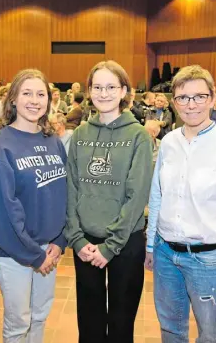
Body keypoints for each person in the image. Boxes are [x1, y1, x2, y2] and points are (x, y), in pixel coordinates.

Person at [145, 65, 216, 343]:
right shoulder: (168, 142)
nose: (191, 105)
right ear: (174, 102)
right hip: (166, 254)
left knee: (210, 333)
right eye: (182, 98)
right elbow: (157, 195)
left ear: (213, 97)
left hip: (208, 260)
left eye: (199, 96)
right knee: (170, 328)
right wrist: (151, 244)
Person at [65, 60, 153, 343]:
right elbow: (71, 188)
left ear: (124, 90)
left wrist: (111, 245)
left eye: (111, 87)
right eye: (98, 87)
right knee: (88, 324)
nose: (104, 93)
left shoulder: (138, 135)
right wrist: (77, 239)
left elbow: (137, 194)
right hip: (86, 244)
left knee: (121, 323)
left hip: (124, 242)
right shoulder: (80, 134)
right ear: (89, 91)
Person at [0, 69, 67, 343]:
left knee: (40, 315)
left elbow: (64, 193)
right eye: (27, 93)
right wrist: (35, 255)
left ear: (49, 100)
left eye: (40, 94)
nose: (34, 100)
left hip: (49, 248)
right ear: (14, 101)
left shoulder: (53, 141)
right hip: (15, 250)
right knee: (19, 322)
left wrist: (60, 240)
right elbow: (5, 210)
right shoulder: (0, 147)